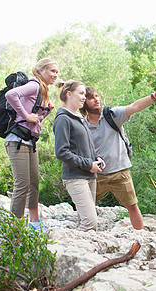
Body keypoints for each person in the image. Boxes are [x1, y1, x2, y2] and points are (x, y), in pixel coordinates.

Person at [81, 85, 156, 230]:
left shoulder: (112, 115)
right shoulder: (82, 124)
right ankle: (85, 235)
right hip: (96, 174)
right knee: (87, 205)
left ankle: (140, 237)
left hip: (120, 171)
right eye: (91, 98)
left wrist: (155, 95)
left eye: (97, 96)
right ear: (83, 103)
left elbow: (135, 106)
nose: (96, 99)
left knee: (132, 205)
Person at [4, 58, 59, 231]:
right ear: (41, 71)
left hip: (30, 141)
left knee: (34, 183)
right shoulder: (34, 85)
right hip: (18, 141)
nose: (55, 75)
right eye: (52, 71)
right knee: (22, 184)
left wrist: (46, 113)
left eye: (57, 72)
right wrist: (26, 115)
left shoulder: (43, 91)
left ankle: (34, 223)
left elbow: (35, 122)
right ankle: (14, 228)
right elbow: (11, 95)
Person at [53, 80, 105, 232]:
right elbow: (62, 152)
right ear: (69, 94)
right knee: (90, 223)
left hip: (90, 176)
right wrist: (89, 164)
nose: (84, 97)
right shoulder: (63, 119)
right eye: (81, 93)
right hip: (75, 177)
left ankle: (82, 251)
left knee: (86, 221)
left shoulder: (80, 118)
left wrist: (97, 158)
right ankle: (67, 251)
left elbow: (86, 145)